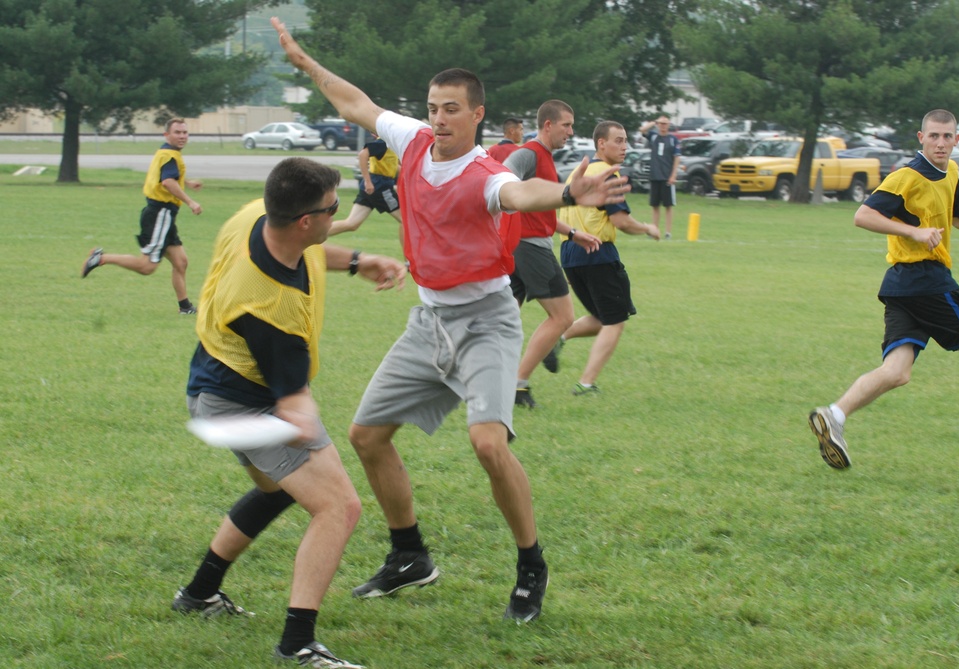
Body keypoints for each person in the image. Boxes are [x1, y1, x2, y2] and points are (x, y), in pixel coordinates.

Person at [271, 16, 630, 623]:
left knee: (488, 443)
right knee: (366, 436)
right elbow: (356, 101)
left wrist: (568, 196)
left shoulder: (487, 173)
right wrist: (307, 65)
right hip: (428, 321)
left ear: (477, 115)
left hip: (487, 320)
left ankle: (530, 563)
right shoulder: (412, 141)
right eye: (434, 108)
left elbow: (520, 197)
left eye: (452, 110)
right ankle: (409, 555)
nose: (439, 118)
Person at [174, 156, 405, 669]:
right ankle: (297, 644)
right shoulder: (272, 311)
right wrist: (302, 423)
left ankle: (198, 594)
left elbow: (308, 251)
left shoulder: (257, 213)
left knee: (276, 488)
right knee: (337, 506)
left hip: (213, 383)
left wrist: (357, 259)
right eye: (333, 209)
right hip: (244, 402)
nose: (337, 214)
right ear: (307, 220)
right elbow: (292, 398)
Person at [809, 109, 959, 470]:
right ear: (921, 138)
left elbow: (958, 216)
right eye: (934, 136)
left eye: (947, 137)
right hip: (926, 279)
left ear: (957, 140)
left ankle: (834, 415)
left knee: (898, 371)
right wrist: (913, 232)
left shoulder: (952, 172)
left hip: (901, 286)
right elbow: (862, 215)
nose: (941, 143)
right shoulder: (905, 177)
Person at [501, 100, 601, 409]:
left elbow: (537, 211)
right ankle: (518, 386)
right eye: (566, 125)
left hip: (521, 247)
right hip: (530, 248)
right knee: (562, 317)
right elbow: (501, 178)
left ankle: (473, 377)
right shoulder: (530, 154)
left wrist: (572, 233)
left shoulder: (544, 157)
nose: (571, 132)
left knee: (499, 319)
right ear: (548, 125)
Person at [558, 121, 660, 396]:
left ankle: (558, 339)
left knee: (601, 317)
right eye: (618, 140)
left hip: (570, 253)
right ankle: (586, 384)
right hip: (597, 253)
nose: (624, 146)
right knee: (615, 320)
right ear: (601, 144)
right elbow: (621, 221)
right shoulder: (606, 174)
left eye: (626, 140)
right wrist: (648, 228)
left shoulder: (577, 175)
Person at [81, 118, 204, 314]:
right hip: (160, 214)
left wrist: (186, 182)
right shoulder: (169, 156)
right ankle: (101, 258)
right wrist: (191, 201)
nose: (182, 136)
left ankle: (185, 307)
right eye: (177, 132)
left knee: (181, 262)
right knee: (147, 267)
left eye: (185, 133)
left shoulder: (165, 153)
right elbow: (167, 182)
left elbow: (166, 177)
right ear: (167, 135)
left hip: (163, 215)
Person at [328, 134, 404, 247]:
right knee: (405, 221)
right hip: (380, 186)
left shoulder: (391, 145)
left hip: (375, 185)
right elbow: (363, 154)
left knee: (351, 223)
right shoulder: (383, 143)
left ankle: (309, 236)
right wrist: (368, 181)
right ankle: (409, 261)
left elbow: (394, 168)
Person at [638, 114, 680, 239]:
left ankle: (668, 232)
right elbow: (642, 130)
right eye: (661, 124)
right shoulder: (653, 136)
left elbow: (677, 158)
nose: (663, 126)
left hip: (667, 177)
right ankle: (654, 230)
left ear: (669, 125)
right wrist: (654, 122)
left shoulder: (673, 139)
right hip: (655, 176)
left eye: (665, 124)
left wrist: (673, 175)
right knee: (655, 205)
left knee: (668, 206)